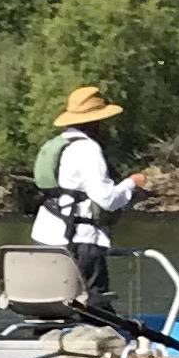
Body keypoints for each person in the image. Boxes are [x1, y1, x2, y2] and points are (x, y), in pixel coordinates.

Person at [29, 86, 145, 287]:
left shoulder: (58, 144)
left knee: (57, 304)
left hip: (43, 240)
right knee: (95, 307)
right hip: (76, 242)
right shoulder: (88, 148)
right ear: (94, 122)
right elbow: (107, 199)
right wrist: (131, 184)